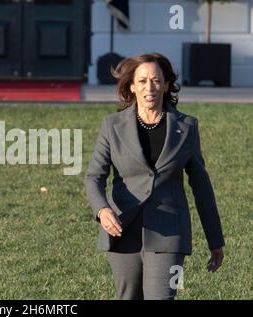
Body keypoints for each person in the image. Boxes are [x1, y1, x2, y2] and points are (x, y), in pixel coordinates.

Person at [85, 52, 224, 300]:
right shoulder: (111, 126)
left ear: (167, 84)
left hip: (170, 235)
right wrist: (102, 210)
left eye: (157, 80)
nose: (150, 87)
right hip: (122, 231)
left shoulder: (187, 128)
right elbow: (94, 177)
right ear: (131, 86)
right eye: (142, 81)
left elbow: (202, 188)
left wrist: (215, 240)